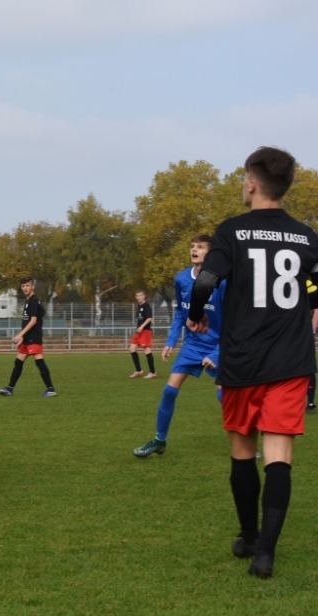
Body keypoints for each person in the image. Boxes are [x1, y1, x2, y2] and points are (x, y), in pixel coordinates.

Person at [187, 146, 318, 578]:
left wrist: (195, 314)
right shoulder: (306, 236)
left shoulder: (231, 231)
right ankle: (266, 555)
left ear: (252, 183)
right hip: (291, 360)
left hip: (243, 359)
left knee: (242, 453)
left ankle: (248, 537)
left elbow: (206, 281)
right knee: (278, 456)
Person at [133, 235, 224, 458]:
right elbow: (181, 314)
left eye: (200, 247)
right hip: (192, 345)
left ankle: (248, 440)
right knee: (169, 391)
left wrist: (216, 353)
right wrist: (171, 341)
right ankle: (159, 440)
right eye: (192, 246)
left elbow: (233, 323)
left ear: (210, 253)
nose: (194, 250)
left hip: (219, 344)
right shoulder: (182, 279)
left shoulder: (222, 282)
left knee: (225, 397)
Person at [0, 277, 56, 397]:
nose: (25, 288)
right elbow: (34, 317)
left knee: (39, 362)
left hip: (34, 337)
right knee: (18, 362)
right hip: (27, 338)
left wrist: (20, 335)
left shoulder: (34, 301)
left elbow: (33, 321)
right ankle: (9, 389)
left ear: (33, 286)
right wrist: (23, 338)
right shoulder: (28, 302)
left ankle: (51, 389)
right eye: (23, 286)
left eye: (27, 285)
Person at [128, 290, 157, 379]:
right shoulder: (139, 306)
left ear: (144, 296)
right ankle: (139, 370)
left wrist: (142, 326)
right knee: (132, 349)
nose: (139, 297)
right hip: (139, 331)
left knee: (147, 350)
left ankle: (153, 372)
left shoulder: (146, 305)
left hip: (145, 331)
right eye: (137, 296)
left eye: (140, 295)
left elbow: (150, 318)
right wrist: (139, 327)